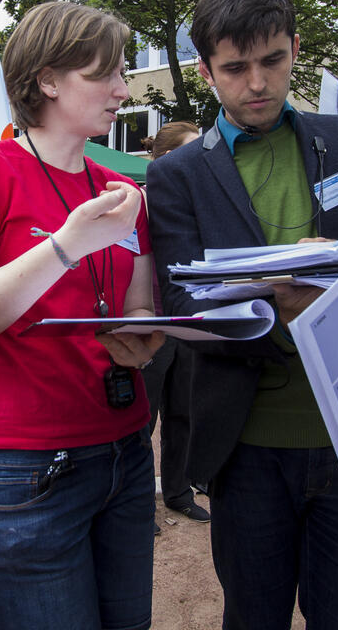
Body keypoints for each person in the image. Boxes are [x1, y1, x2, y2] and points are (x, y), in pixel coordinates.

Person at [146, 0, 338, 629]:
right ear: (205, 70)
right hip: (247, 447)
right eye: (235, 67)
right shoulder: (177, 175)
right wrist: (265, 308)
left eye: (272, 61)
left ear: (296, 50)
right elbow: (178, 303)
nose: (257, 83)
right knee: (254, 617)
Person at [0, 0, 164, 630]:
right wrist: (64, 245)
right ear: (47, 80)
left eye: (122, 73)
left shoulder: (121, 190)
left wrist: (143, 336)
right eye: (104, 74)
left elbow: (136, 303)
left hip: (126, 453)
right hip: (26, 468)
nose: (122, 89)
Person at [139, 122, 211, 527]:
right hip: (152, 322)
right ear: (168, 159)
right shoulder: (140, 201)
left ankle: (178, 491)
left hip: (188, 323)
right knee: (142, 419)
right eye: (193, 149)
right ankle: (137, 502)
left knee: (183, 412)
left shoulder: (198, 202)